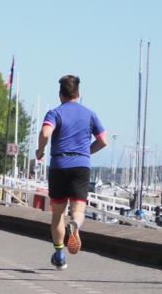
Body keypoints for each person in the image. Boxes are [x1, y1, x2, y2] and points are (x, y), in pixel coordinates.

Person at [35, 75, 108, 270]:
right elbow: (103, 140)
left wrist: (40, 150)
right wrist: (86, 152)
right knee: (78, 211)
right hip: (81, 166)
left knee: (58, 213)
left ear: (61, 94)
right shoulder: (89, 114)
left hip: (59, 164)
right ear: (79, 93)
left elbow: (44, 133)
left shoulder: (55, 113)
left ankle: (59, 254)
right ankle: (75, 225)